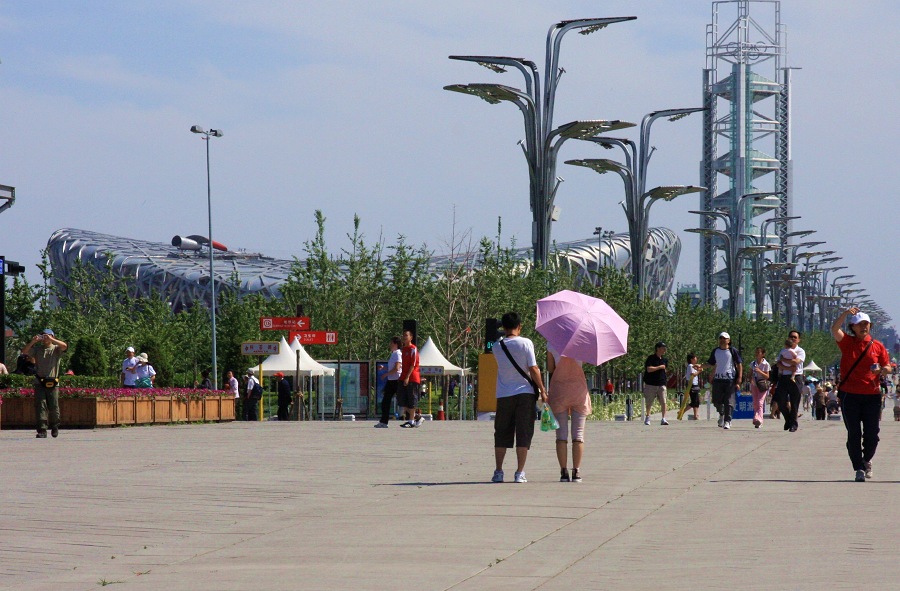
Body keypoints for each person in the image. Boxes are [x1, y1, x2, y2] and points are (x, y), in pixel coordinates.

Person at [831, 307, 890, 482]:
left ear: (870, 325)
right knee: (854, 433)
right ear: (853, 327)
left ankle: (866, 460)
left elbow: (887, 366)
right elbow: (834, 330)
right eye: (860, 324)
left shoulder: (877, 346)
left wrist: (882, 370)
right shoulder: (847, 342)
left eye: (866, 324)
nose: (864, 327)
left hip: (872, 395)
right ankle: (858, 468)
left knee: (872, 434)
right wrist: (844, 314)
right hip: (850, 395)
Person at [492, 312, 547, 484]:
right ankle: (519, 472)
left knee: (501, 433)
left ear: (504, 327)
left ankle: (499, 471)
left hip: (504, 394)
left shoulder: (496, 346)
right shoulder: (525, 343)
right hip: (525, 394)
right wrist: (543, 390)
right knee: (523, 433)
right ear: (519, 326)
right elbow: (533, 368)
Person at [546, 344, 591, 483]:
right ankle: (576, 471)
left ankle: (564, 471)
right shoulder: (582, 342)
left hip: (560, 392)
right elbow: (587, 363)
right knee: (578, 434)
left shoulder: (552, 343)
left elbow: (550, 368)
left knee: (561, 435)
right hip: (579, 391)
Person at [22, 329, 68, 438]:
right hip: (40, 381)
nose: (45, 338)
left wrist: (52, 339)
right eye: (43, 335)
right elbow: (24, 352)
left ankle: (55, 426)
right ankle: (42, 429)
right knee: (40, 405)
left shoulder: (56, 349)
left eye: (47, 335)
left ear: (52, 336)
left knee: (53, 405)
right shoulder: (38, 349)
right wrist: (33, 342)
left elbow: (64, 346)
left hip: (53, 381)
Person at [704, 331, 742, 430]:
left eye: (724, 338)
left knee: (729, 401)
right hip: (718, 379)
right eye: (721, 338)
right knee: (717, 401)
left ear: (728, 340)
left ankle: (727, 421)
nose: (722, 340)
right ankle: (721, 414)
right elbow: (710, 363)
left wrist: (739, 378)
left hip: (729, 380)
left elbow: (739, 364)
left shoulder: (732, 351)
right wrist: (700, 366)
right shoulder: (715, 351)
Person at [774, 331, 804, 432]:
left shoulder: (800, 351)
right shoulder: (783, 350)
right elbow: (778, 363)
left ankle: (793, 424)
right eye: (791, 336)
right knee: (781, 401)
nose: (793, 338)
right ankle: (788, 419)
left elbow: (796, 361)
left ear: (798, 339)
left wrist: (785, 361)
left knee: (794, 402)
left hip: (796, 377)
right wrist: (787, 365)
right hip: (784, 377)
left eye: (795, 337)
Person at [375, 336, 403, 428]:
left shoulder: (397, 354)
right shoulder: (393, 354)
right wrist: (385, 368)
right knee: (385, 401)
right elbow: (393, 367)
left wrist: (386, 374)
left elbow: (397, 368)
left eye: (391, 343)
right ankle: (383, 421)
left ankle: (416, 417)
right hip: (391, 381)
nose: (390, 345)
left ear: (395, 344)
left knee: (402, 402)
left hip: (396, 381)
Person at [398, 330, 421, 428]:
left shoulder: (413, 348)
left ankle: (411, 421)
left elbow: (413, 364)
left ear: (411, 337)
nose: (404, 337)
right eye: (403, 335)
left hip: (412, 377)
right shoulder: (404, 350)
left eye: (406, 335)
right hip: (403, 377)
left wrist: (407, 377)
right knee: (401, 400)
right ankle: (417, 417)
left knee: (411, 400)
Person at [642, 342, 669, 426]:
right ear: (657, 348)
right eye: (662, 348)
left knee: (663, 401)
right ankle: (647, 417)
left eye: (665, 348)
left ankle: (663, 418)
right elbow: (649, 369)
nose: (664, 350)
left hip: (661, 383)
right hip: (651, 384)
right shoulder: (651, 358)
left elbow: (665, 370)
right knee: (649, 402)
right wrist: (659, 367)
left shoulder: (665, 360)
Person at [748, 347, 771, 428]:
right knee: (755, 403)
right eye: (756, 352)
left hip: (762, 385)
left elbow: (767, 376)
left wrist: (760, 371)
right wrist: (750, 379)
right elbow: (749, 374)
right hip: (754, 384)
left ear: (763, 354)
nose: (757, 354)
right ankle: (756, 419)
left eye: (759, 352)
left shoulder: (766, 364)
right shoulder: (753, 363)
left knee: (760, 402)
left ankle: (759, 419)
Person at [678, 353, 702, 421]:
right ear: (691, 359)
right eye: (695, 358)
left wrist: (699, 368)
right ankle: (681, 412)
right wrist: (699, 371)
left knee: (697, 401)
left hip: (695, 384)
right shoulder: (690, 366)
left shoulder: (694, 366)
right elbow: (693, 374)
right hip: (691, 385)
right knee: (694, 401)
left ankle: (695, 415)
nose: (696, 359)